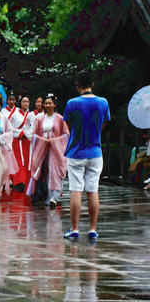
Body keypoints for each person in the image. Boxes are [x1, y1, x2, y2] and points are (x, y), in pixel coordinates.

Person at [63, 71, 110, 240]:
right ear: (93, 84)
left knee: (76, 189)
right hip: (95, 152)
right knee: (93, 189)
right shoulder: (103, 102)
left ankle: (74, 229)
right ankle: (92, 229)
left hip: (76, 152)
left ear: (77, 85)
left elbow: (69, 126)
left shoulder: (71, 103)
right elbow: (103, 125)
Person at [26, 93, 69, 208]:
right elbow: (33, 134)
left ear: (54, 104)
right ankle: (40, 194)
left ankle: (53, 197)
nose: (48, 105)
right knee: (40, 169)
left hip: (55, 149)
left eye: (50, 103)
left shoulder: (60, 118)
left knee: (54, 171)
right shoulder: (40, 119)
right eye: (46, 103)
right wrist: (42, 140)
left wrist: (54, 141)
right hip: (42, 147)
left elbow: (66, 135)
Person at [9, 94, 37, 191]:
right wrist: (20, 132)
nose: (25, 103)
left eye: (27, 102)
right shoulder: (15, 114)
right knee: (19, 159)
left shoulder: (30, 115)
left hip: (27, 139)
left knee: (27, 159)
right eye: (24, 102)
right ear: (20, 103)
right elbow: (9, 127)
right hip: (18, 139)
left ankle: (25, 180)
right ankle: (18, 181)